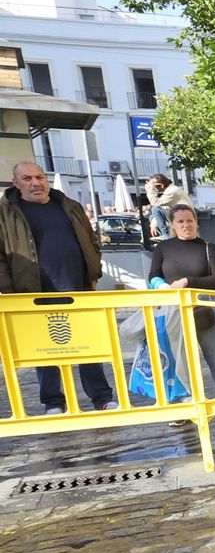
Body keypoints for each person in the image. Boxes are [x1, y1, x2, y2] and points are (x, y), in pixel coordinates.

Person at [0, 161, 117, 414]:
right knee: (45, 349)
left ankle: (101, 397)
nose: (35, 183)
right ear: (16, 183)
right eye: (27, 178)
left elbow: (91, 241)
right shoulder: (5, 213)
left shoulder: (68, 205)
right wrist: (9, 291)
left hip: (78, 288)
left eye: (39, 177)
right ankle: (53, 401)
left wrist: (94, 272)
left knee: (89, 345)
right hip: (33, 293)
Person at [148, 204, 215, 407]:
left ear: (196, 222)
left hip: (206, 310)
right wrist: (162, 286)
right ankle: (185, 406)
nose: (186, 225)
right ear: (172, 224)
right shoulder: (162, 248)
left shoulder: (209, 248)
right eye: (180, 221)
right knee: (179, 361)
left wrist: (187, 282)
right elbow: (153, 275)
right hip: (173, 311)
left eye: (189, 220)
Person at [144, 173, 192, 244]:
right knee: (152, 217)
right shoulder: (171, 189)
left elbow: (155, 203)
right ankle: (166, 235)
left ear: (161, 185)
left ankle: (165, 235)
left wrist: (149, 188)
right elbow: (163, 208)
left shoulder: (172, 191)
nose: (155, 189)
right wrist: (153, 224)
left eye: (155, 186)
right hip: (181, 215)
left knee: (155, 209)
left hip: (183, 216)